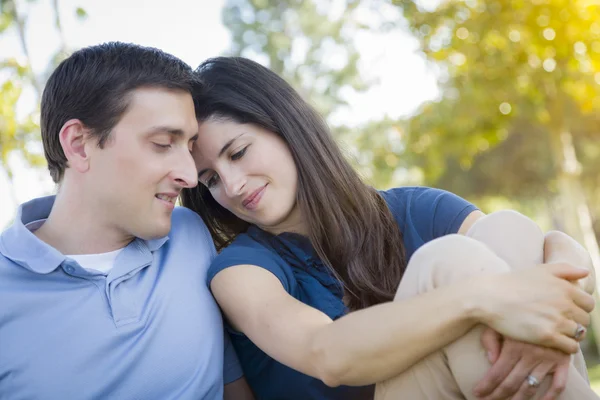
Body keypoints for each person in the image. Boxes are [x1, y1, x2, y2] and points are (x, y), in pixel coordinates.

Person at [181, 56, 599, 400]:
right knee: (449, 258)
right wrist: (485, 298)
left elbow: (535, 248)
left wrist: (545, 295)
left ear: (286, 126)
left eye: (238, 153)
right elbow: (326, 355)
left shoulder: (415, 209)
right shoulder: (239, 270)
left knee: (507, 227)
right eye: (211, 180)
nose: (231, 186)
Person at [0, 43, 253, 399]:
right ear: (78, 144)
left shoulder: (191, 236)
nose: (189, 176)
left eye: (189, 147)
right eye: (164, 143)